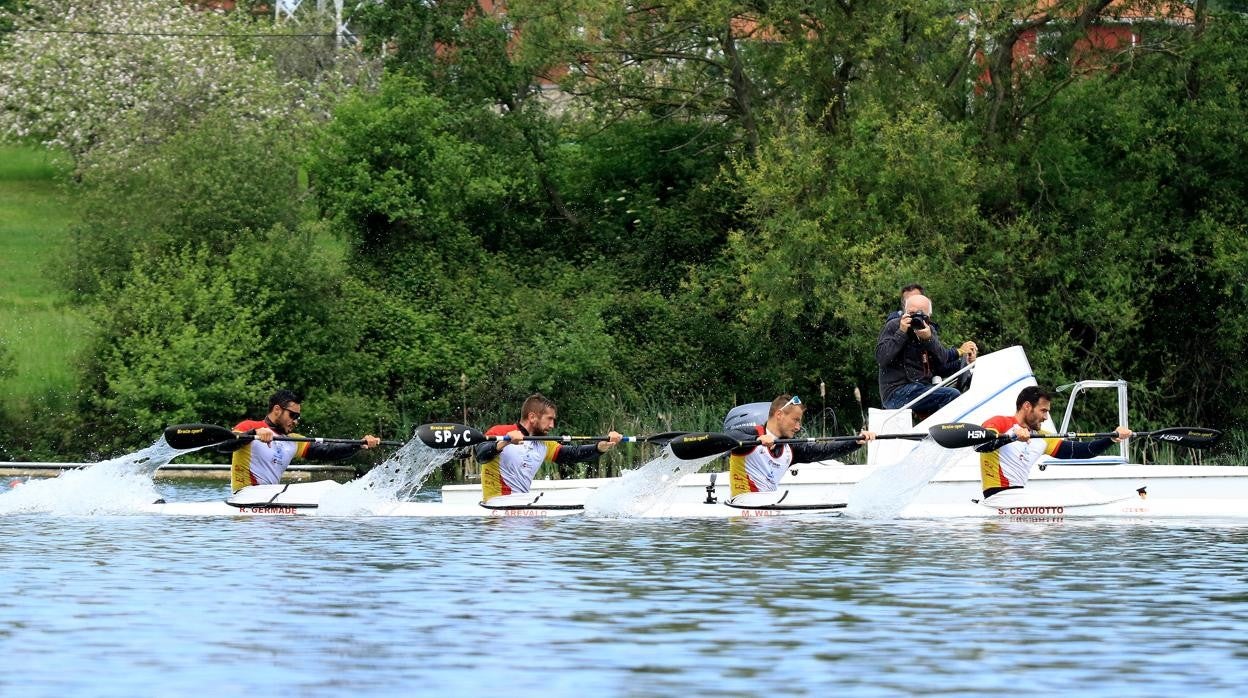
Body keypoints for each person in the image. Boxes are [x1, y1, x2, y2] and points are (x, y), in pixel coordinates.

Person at [979, 385, 1132, 499]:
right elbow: (981, 444)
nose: (1046, 417)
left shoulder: (1041, 438)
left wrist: (1111, 438)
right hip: (997, 498)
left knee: (1078, 490)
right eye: (1043, 411)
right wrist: (1012, 436)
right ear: (1027, 406)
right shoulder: (1000, 423)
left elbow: (1081, 451)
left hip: (1018, 498)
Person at [474, 393, 623, 500]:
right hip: (497, 508)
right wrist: (505, 441)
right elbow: (480, 455)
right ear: (532, 417)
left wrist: (600, 447)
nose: (552, 425)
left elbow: (571, 454)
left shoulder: (544, 442)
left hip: (522, 506)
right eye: (549, 419)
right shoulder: (500, 431)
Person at [227, 389, 381, 492]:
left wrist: (359, 444)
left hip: (269, 498)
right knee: (325, 487)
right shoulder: (248, 426)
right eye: (292, 415)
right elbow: (225, 446)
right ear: (277, 410)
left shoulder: (293, 440)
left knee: (328, 487)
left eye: (298, 417)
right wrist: (253, 433)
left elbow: (328, 451)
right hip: (245, 496)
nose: (295, 421)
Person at [726, 394, 875, 497]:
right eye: (795, 420)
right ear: (779, 415)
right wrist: (757, 438)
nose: (798, 427)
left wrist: (855, 442)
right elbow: (729, 437)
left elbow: (824, 450)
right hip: (743, 517)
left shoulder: (790, 448)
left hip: (768, 519)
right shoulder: (748, 434)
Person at [876, 293, 978, 414]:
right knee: (951, 395)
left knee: (955, 392)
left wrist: (929, 339)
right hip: (896, 392)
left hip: (921, 388)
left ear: (928, 317)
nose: (915, 319)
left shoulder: (929, 330)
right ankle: (944, 431)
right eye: (911, 313)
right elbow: (881, 358)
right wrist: (901, 332)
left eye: (920, 315)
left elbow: (942, 360)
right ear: (904, 312)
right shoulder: (894, 325)